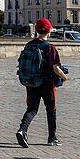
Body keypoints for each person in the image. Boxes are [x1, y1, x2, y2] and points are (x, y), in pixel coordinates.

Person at [15, 18, 69, 148]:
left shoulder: (29, 45)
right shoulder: (50, 47)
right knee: (51, 110)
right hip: (47, 84)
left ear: (37, 30)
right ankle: (52, 137)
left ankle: (22, 130)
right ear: (49, 30)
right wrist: (65, 77)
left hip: (31, 82)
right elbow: (55, 68)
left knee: (32, 108)